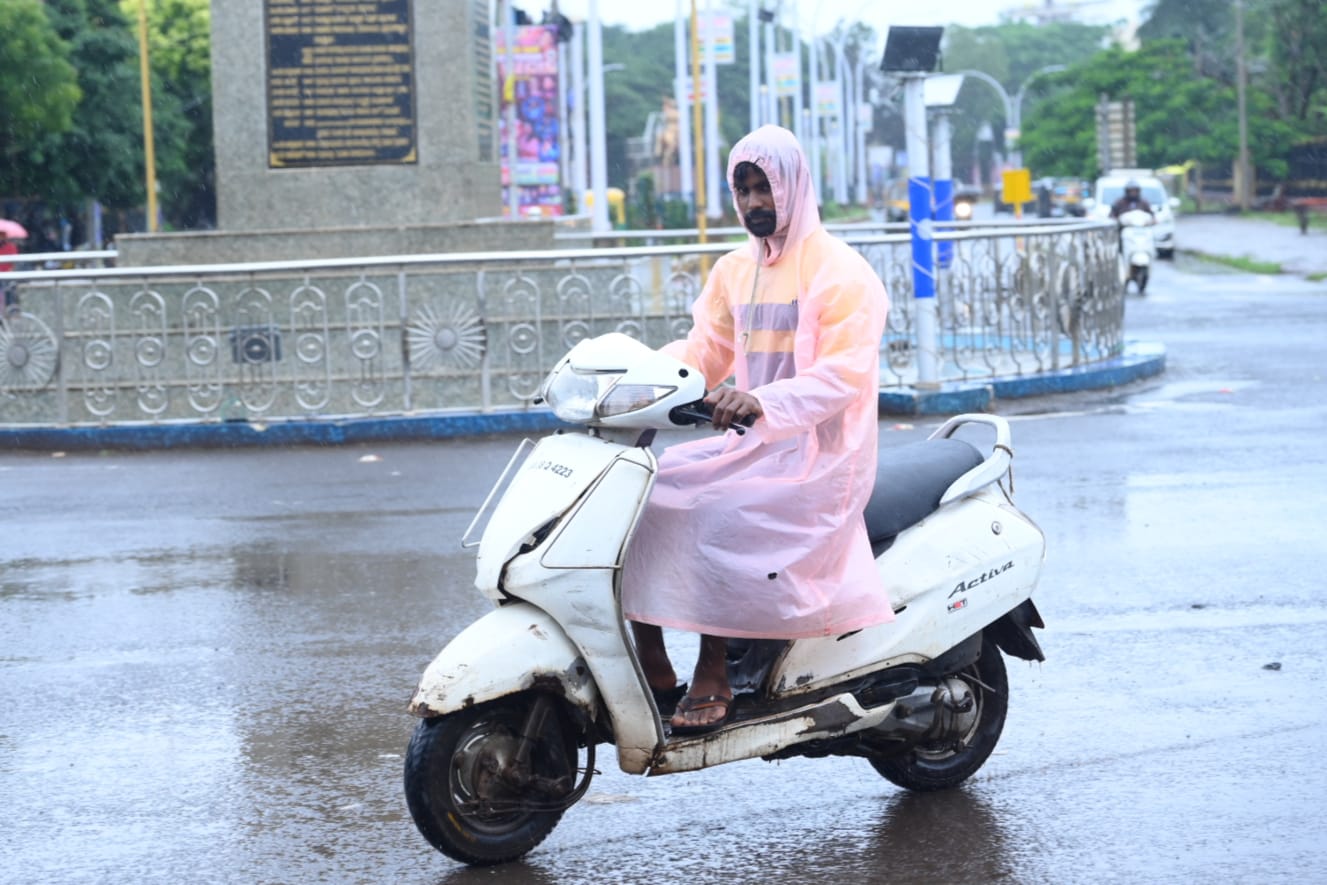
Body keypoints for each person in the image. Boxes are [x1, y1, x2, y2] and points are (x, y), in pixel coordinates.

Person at [621, 125, 892, 734]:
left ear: (792, 186)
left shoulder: (842, 273)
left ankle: (713, 667)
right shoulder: (733, 271)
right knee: (640, 491)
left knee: (712, 511)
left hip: (820, 455)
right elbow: (702, 355)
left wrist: (759, 401)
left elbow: (844, 375)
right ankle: (653, 660)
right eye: (741, 190)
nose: (751, 204)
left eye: (762, 187)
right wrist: (630, 381)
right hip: (750, 444)